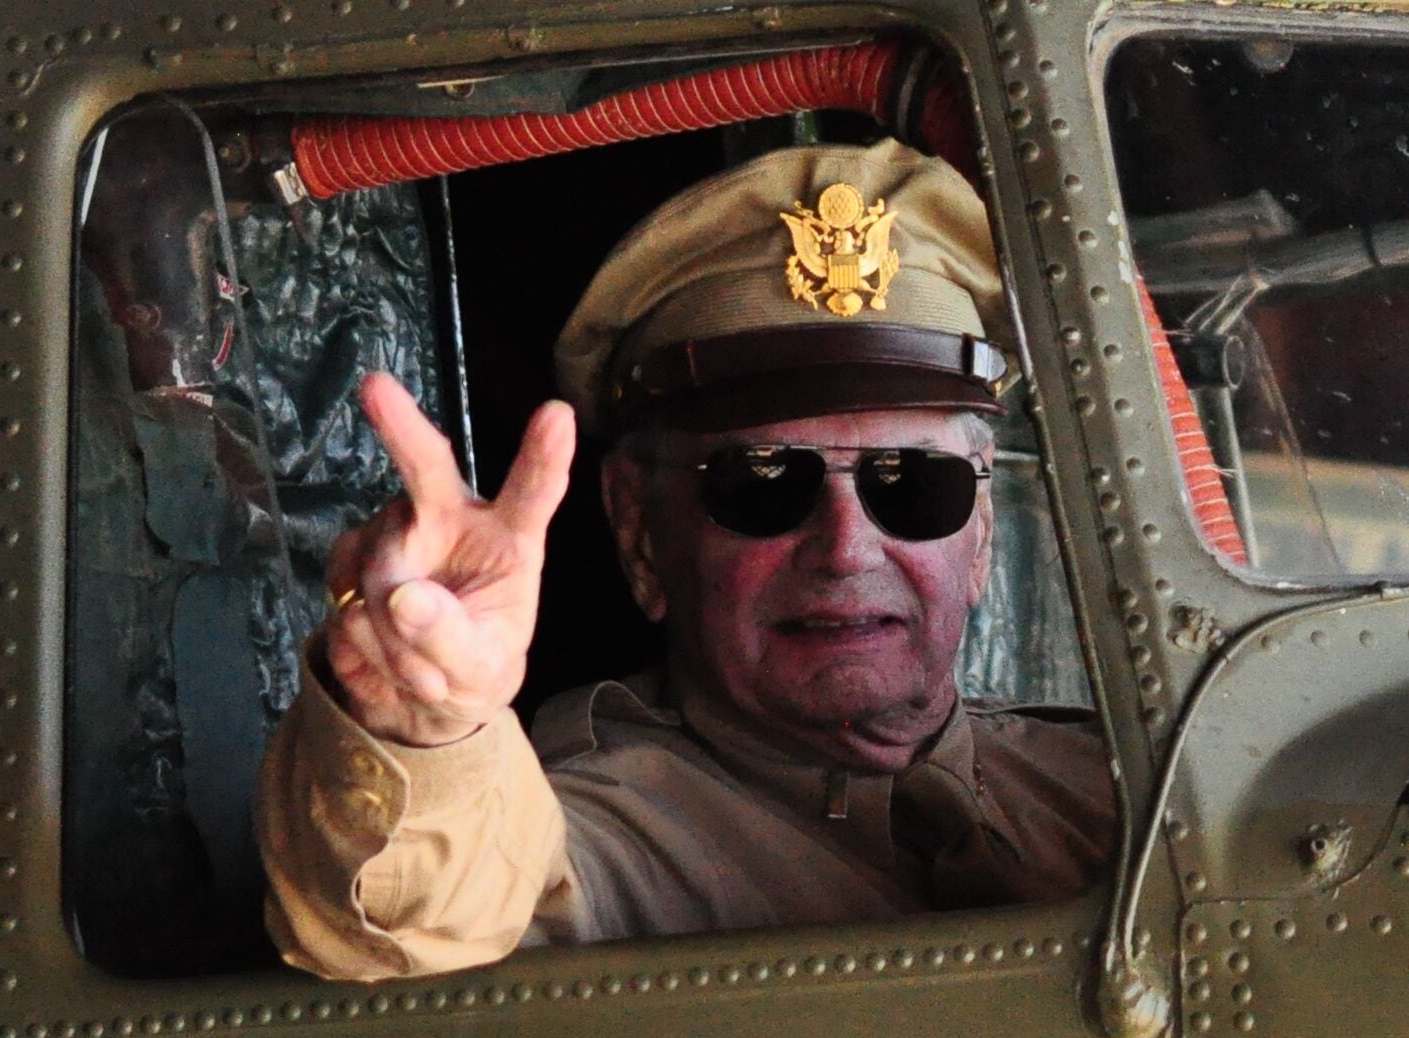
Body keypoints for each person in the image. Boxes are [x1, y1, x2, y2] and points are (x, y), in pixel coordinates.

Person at [254, 140, 1115, 982]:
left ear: (983, 535)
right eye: (765, 483)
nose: (847, 549)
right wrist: (425, 724)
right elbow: (430, 910)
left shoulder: (1112, 789)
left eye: (914, 483)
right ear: (639, 534)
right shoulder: (596, 843)